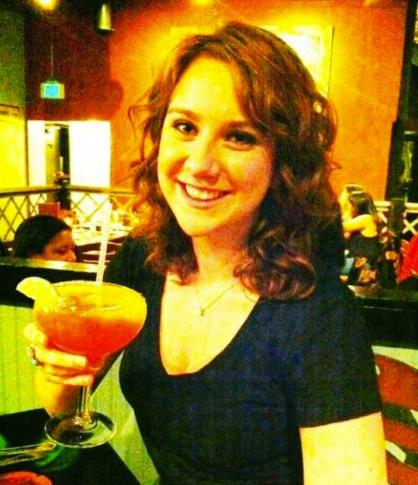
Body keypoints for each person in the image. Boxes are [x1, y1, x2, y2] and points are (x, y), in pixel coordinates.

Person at [23, 22, 387, 484]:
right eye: (185, 126)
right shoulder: (143, 257)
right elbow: (65, 407)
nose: (199, 164)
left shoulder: (319, 317)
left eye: (239, 136)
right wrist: (57, 369)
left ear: (283, 161)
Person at [340, 190, 383, 285]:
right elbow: (345, 235)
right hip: (356, 266)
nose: (348, 208)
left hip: (364, 270)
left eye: (349, 205)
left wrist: (346, 213)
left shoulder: (366, 219)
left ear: (357, 205)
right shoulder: (359, 222)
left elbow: (341, 226)